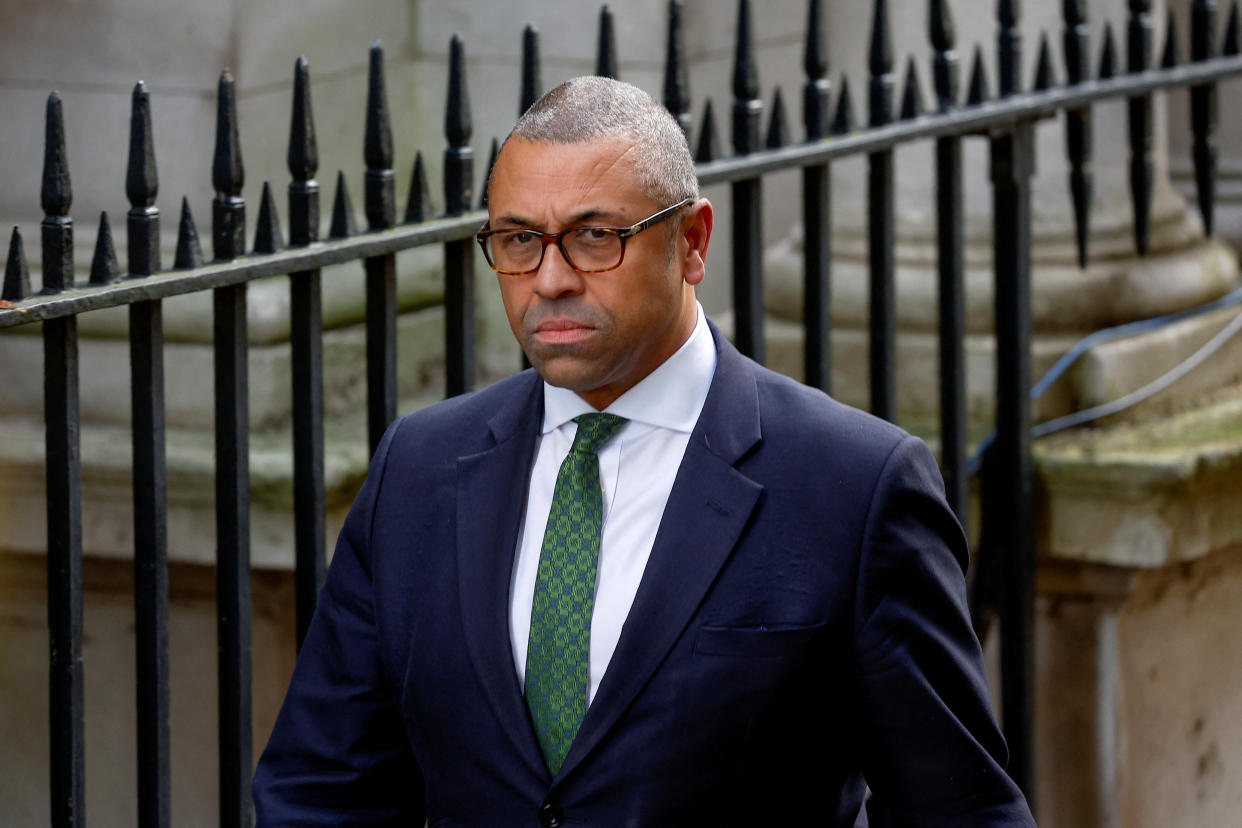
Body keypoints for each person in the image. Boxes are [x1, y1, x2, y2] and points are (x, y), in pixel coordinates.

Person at [253, 76, 1035, 827]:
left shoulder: (855, 488)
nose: (549, 279)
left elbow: (956, 809)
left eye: (595, 237)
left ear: (692, 242)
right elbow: (323, 791)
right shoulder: (416, 471)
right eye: (520, 239)